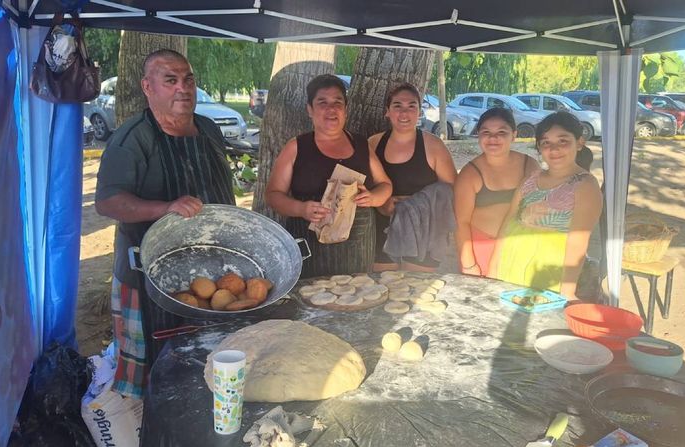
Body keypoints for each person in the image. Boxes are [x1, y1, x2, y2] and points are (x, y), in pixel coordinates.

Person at [95, 49, 236, 398]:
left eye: (188, 79)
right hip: (150, 275)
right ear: (148, 87)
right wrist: (167, 207)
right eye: (170, 80)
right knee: (159, 370)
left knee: (209, 357)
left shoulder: (208, 129)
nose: (182, 88)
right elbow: (107, 201)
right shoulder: (133, 138)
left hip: (211, 270)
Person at [265, 74, 392, 278]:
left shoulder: (361, 145)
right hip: (310, 247)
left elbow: (385, 184)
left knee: (358, 294)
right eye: (322, 102)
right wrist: (301, 209)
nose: (331, 109)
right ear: (310, 109)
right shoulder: (297, 147)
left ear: (345, 109)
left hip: (357, 249)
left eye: (337, 102)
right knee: (310, 296)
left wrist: (374, 198)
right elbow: (273, 195)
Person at [488, 111, 603, 299]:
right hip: (511, 264)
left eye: (563, 141)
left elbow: (578, 242)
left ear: (579, 143)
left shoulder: (585, 186)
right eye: (546, 143)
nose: (554, 149)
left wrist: (567, 291)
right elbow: (508, 222)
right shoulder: (530, 180)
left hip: (550, 274)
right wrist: (493, 267)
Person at [369, 83, 457, 272]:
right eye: (397, 106)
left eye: (411, 106)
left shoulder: (434, 146)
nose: (404, 113)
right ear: (387, 111)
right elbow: (363, 186)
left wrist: (415, 206)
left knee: (417, 287)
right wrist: (380, 203)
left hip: (424, 232)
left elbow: (452, 191)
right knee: (383, 286)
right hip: (382, 229)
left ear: (419, 111)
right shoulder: (374, 143)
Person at [453, 108, 538, 277]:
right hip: (482, 249)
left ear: (513, 135)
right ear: (478, 135)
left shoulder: (529, 165)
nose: (493, 138)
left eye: (501, 132)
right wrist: (469, 264)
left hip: (521, 246)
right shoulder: (470, 174)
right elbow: (461, 222)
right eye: (486, 132)